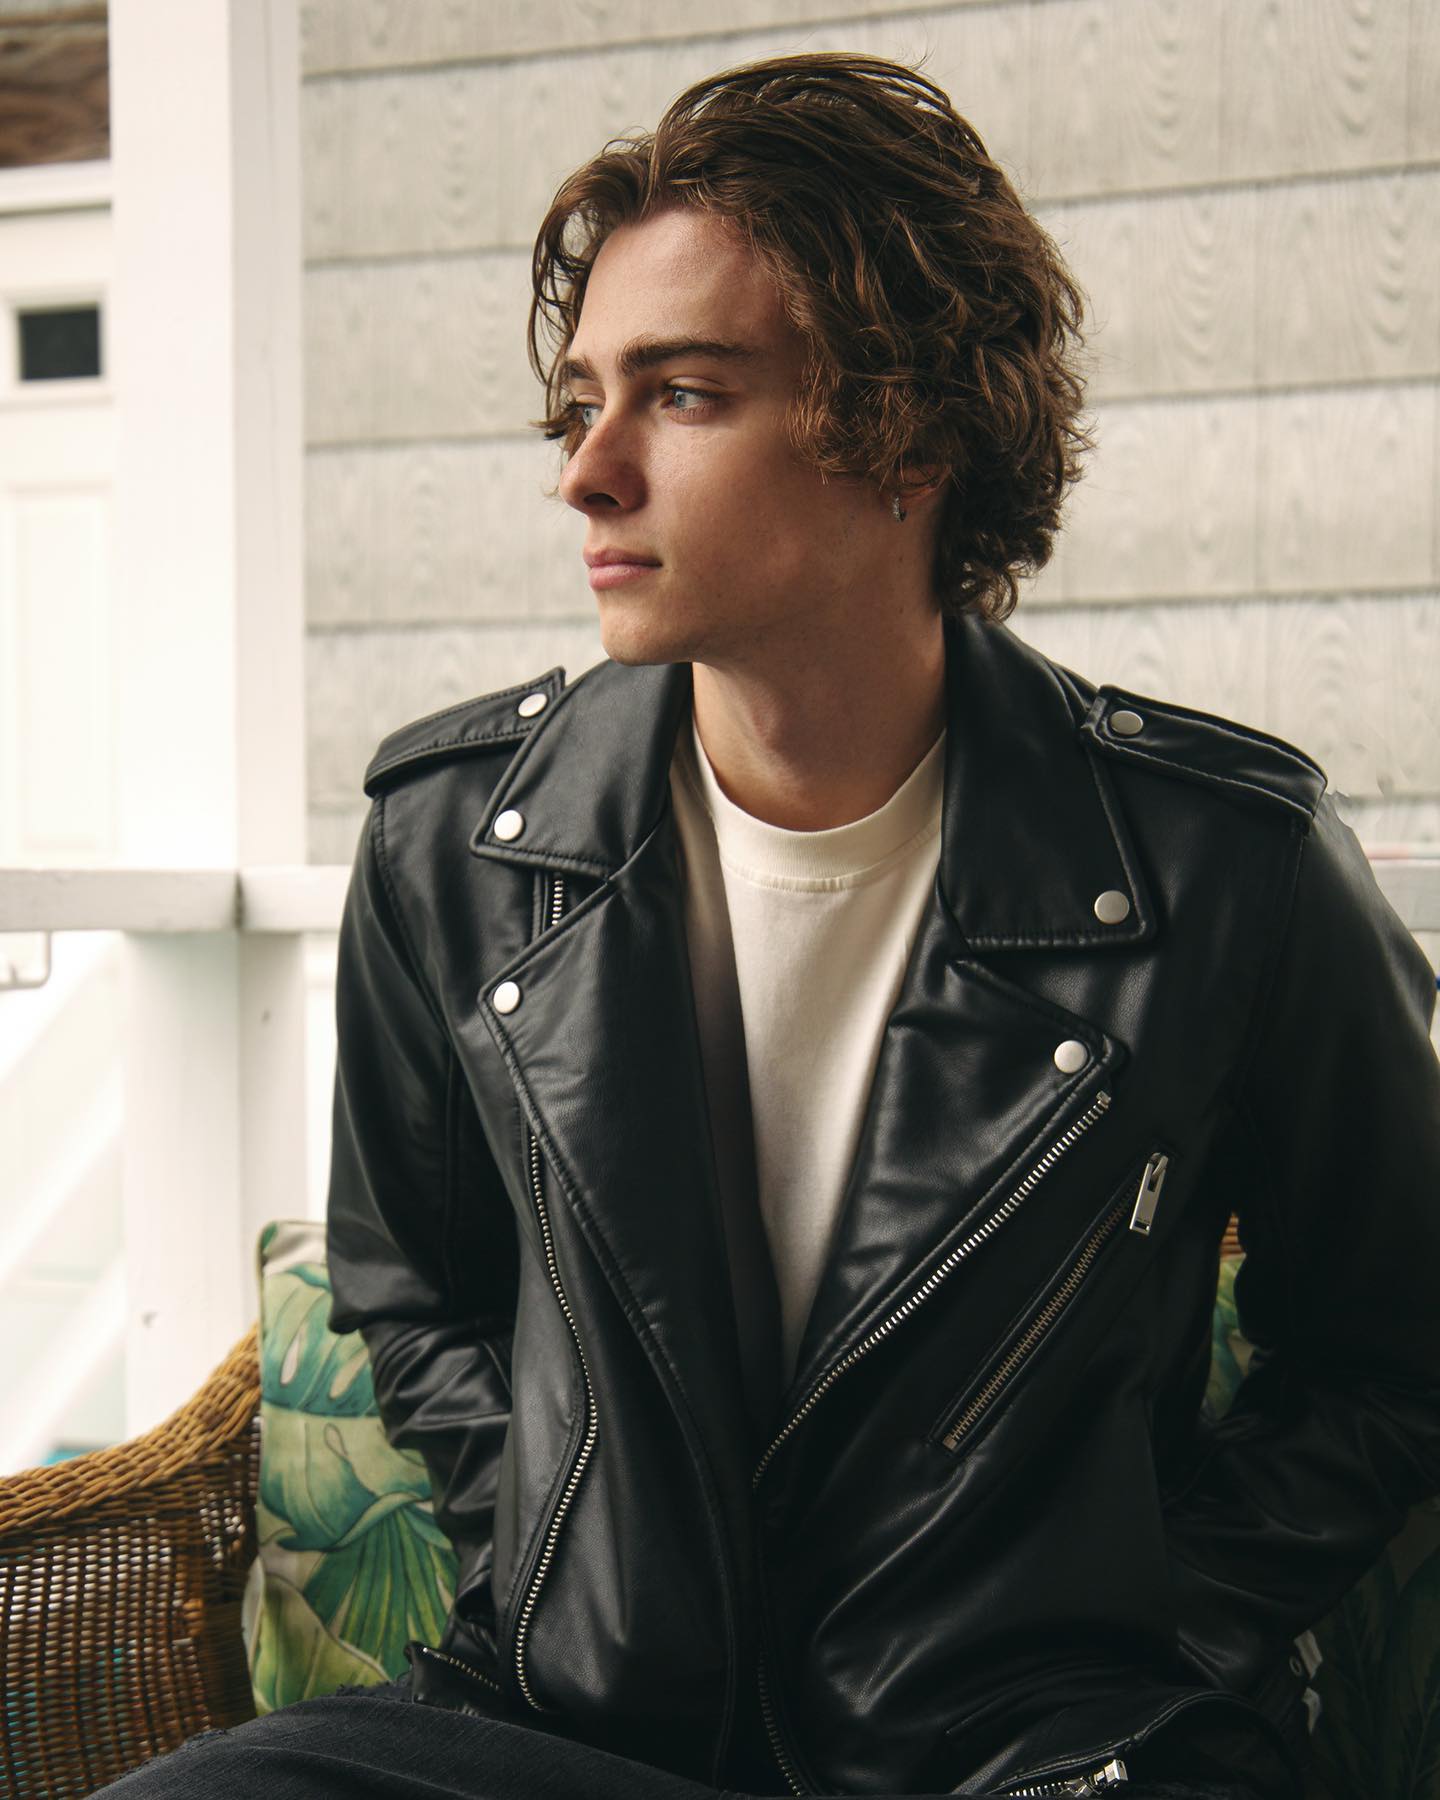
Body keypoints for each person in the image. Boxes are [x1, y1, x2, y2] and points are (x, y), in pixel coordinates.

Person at [96, 50, 1440, 1800]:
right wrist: (572, 1568)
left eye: (682, 394)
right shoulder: (457, 845)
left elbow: (1395, 1345)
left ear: (911, 430)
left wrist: (1153, 1633)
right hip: (573, 1728)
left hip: (1023, 1751)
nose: (589, 474)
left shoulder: (1218, 863)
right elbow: (413, 1287)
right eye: (581, 402)